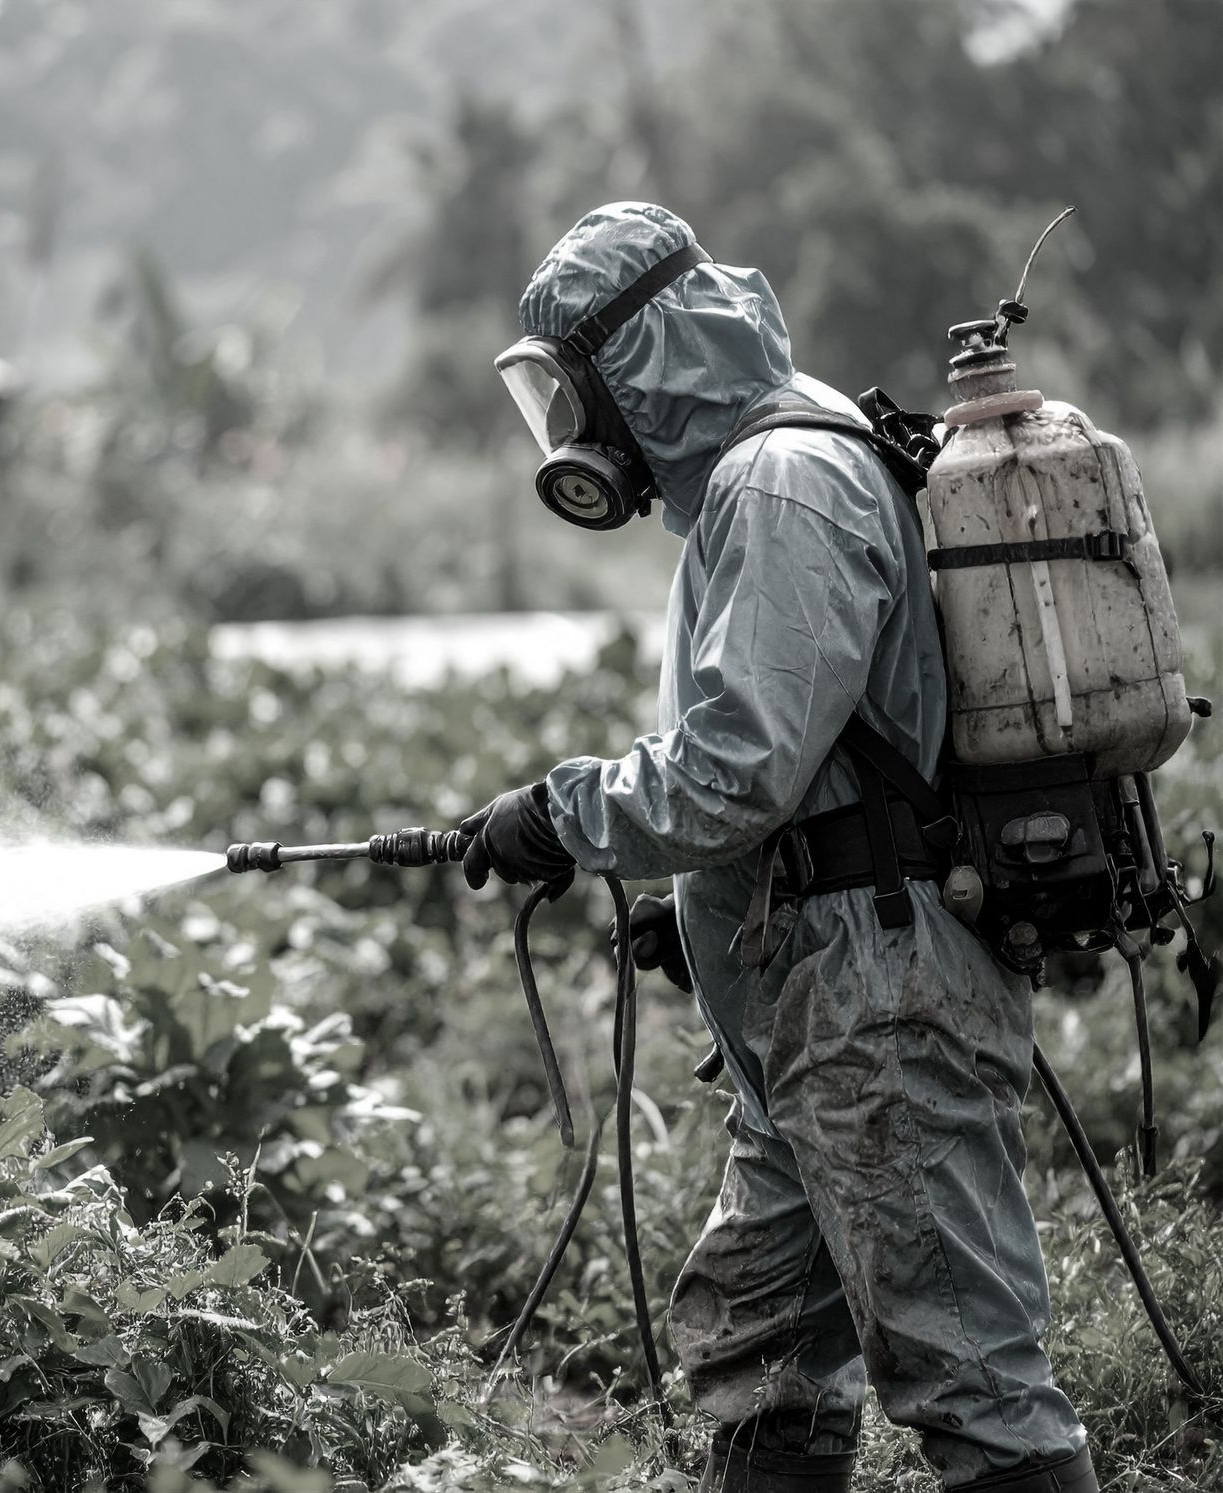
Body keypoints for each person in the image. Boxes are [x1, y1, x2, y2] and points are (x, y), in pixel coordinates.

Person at [458, 202, 1097, 1493]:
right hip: (817, 987)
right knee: (761, 1343)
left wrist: (566, 814)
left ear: (641, 366)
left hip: (876, 1007)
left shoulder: (779, 479)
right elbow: (817, 752)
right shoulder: (771, 455)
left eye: (573, 397)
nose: (574, 441)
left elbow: (740, 763)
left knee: (968, 1371)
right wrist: (715, 892)